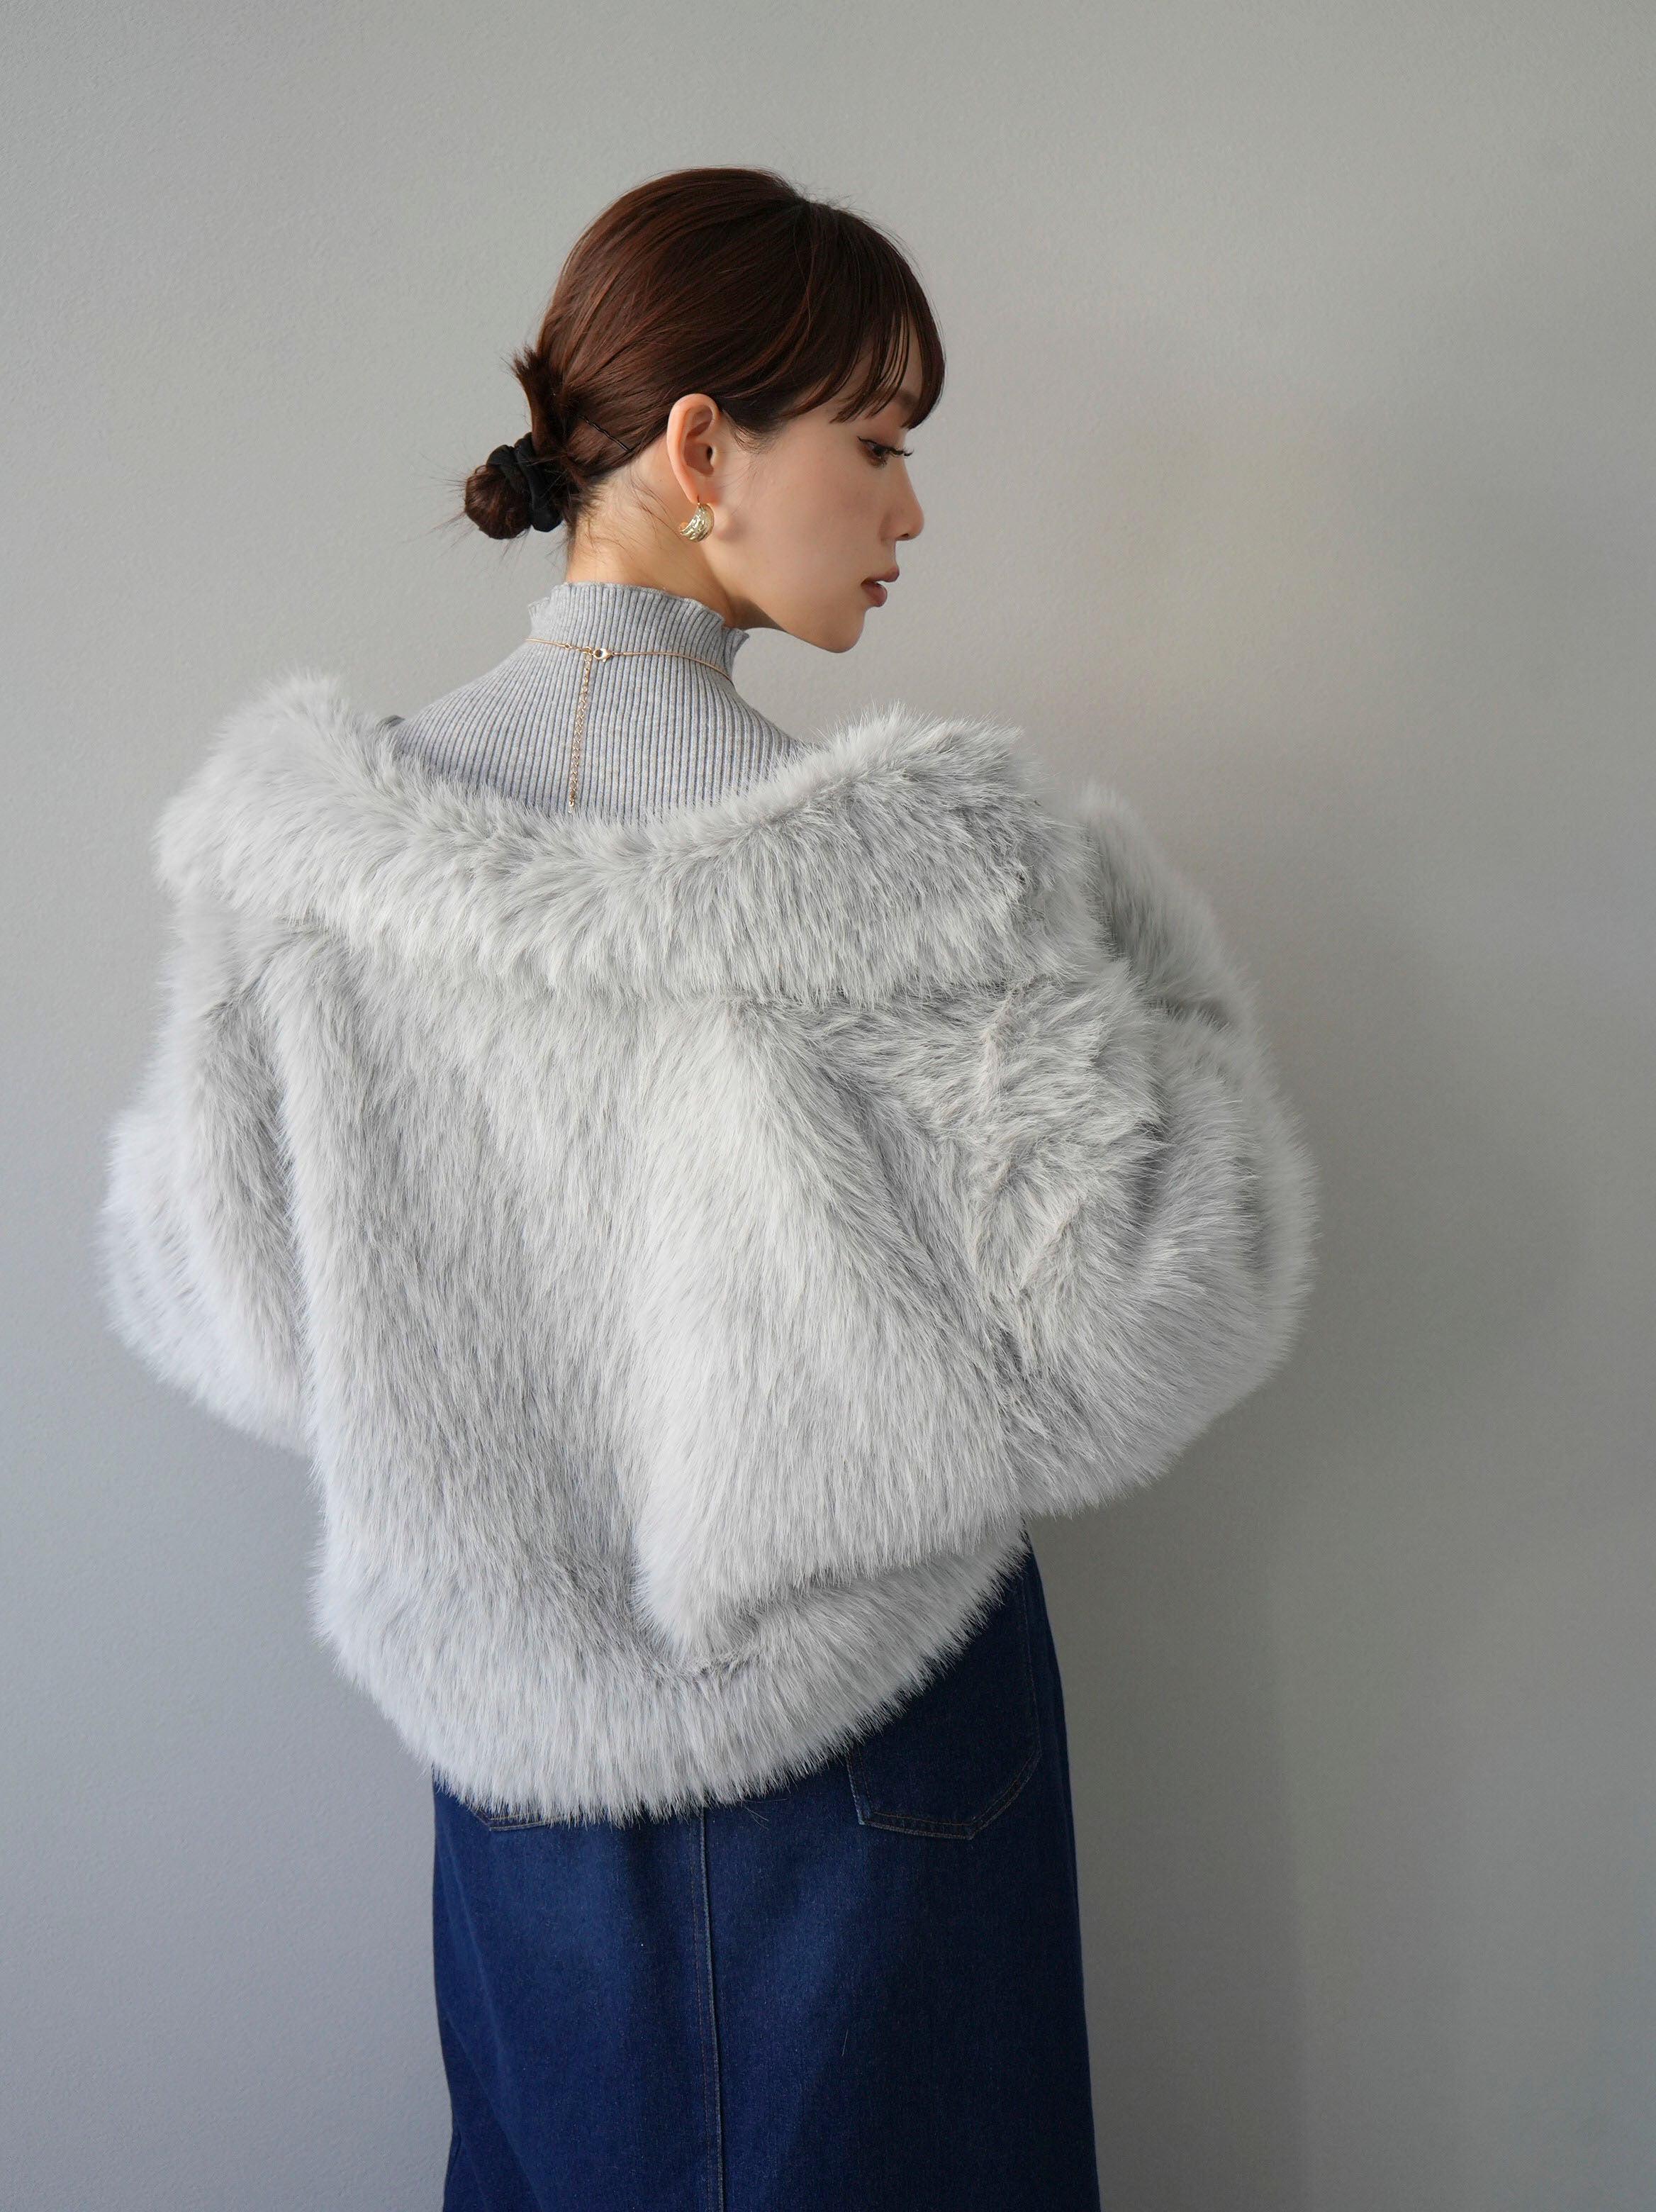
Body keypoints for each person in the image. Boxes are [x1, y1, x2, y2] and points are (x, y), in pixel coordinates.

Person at [97, 166, 1318, 2211]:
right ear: (699, 448)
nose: (910, 511)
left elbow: (210, 1298)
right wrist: (1143, 955)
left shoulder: (305, 869)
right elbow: (1158, 1311)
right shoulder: (943, 880)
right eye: (882, 442)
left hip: (518, 1780)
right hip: (880, 1747)